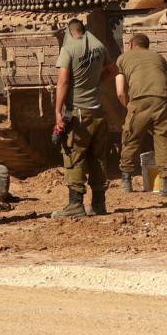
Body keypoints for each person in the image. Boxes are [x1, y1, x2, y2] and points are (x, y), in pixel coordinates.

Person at [51, 18, 118, 219]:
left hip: (78, 113)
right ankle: (99, 204)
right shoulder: (99, 46)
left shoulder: (69, 49)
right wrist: (97, 84)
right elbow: (113, 71)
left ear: (70, 33)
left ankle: (75, 205)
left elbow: (62, 83)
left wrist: (57, 112)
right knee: (97, 158)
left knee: (74, 156)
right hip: (97, 112)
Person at [115, 34, 167, 198]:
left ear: (131, 46)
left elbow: (120, 92)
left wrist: (131, 109)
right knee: (164, 141)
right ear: (147, 46)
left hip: (139, 102)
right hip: (162, 101)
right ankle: (166, 184)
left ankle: (126, 181)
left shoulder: (123, 58)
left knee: (131, 139)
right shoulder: (159, 58)